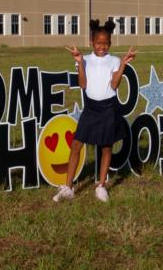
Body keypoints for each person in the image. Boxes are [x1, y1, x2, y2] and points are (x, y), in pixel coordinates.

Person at [53, 19, 136, 203]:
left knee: (106, 147)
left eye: (106, 43)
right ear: (92, 42)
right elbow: (83, 84)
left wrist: (123, 64)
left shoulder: (113, 60)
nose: (102, 46)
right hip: (91, 108)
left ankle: (101, 186)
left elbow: (114, 85)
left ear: (110, 44)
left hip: (108, 108)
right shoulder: (86, 60)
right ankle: (68, 187)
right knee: (76, 145)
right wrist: (80, 62)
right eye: (99, 43)